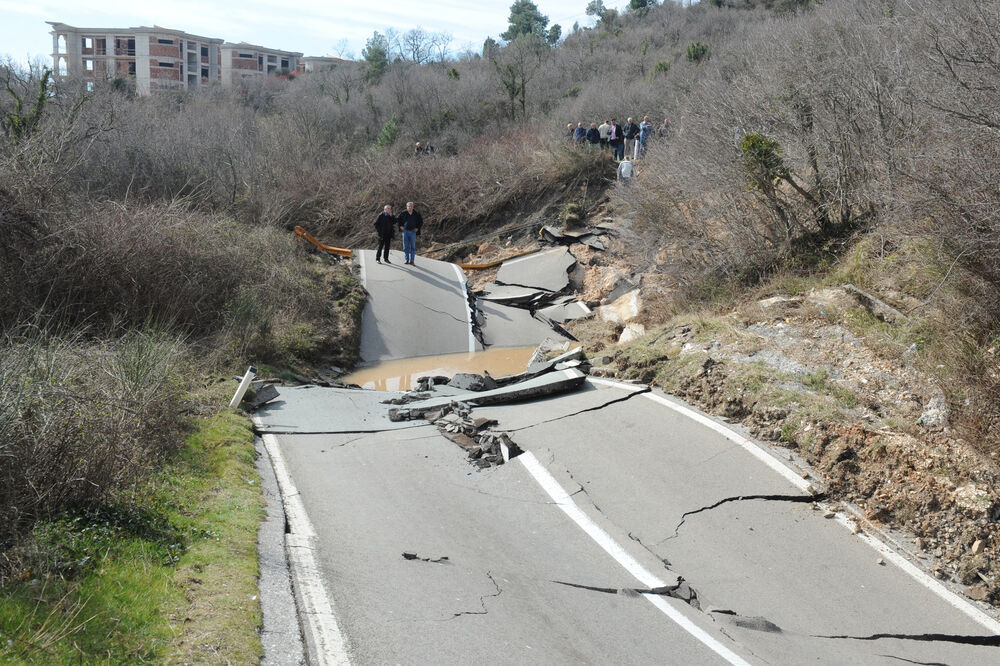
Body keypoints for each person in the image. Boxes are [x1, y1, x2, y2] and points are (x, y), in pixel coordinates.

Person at [398, 201, 423, 265]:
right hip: (405, 232)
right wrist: (400, 226)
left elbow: (421, 221)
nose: (410, 207)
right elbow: (398, 220)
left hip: (413, 232)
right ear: (406, 207)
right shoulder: (403, 213)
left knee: (412, 247)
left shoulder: (416, 213)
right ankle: (406, 259)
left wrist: (417, 228)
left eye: (411, 206)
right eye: (408, 206)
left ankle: (412, 261)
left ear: (413, 207)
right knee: (406, 247)